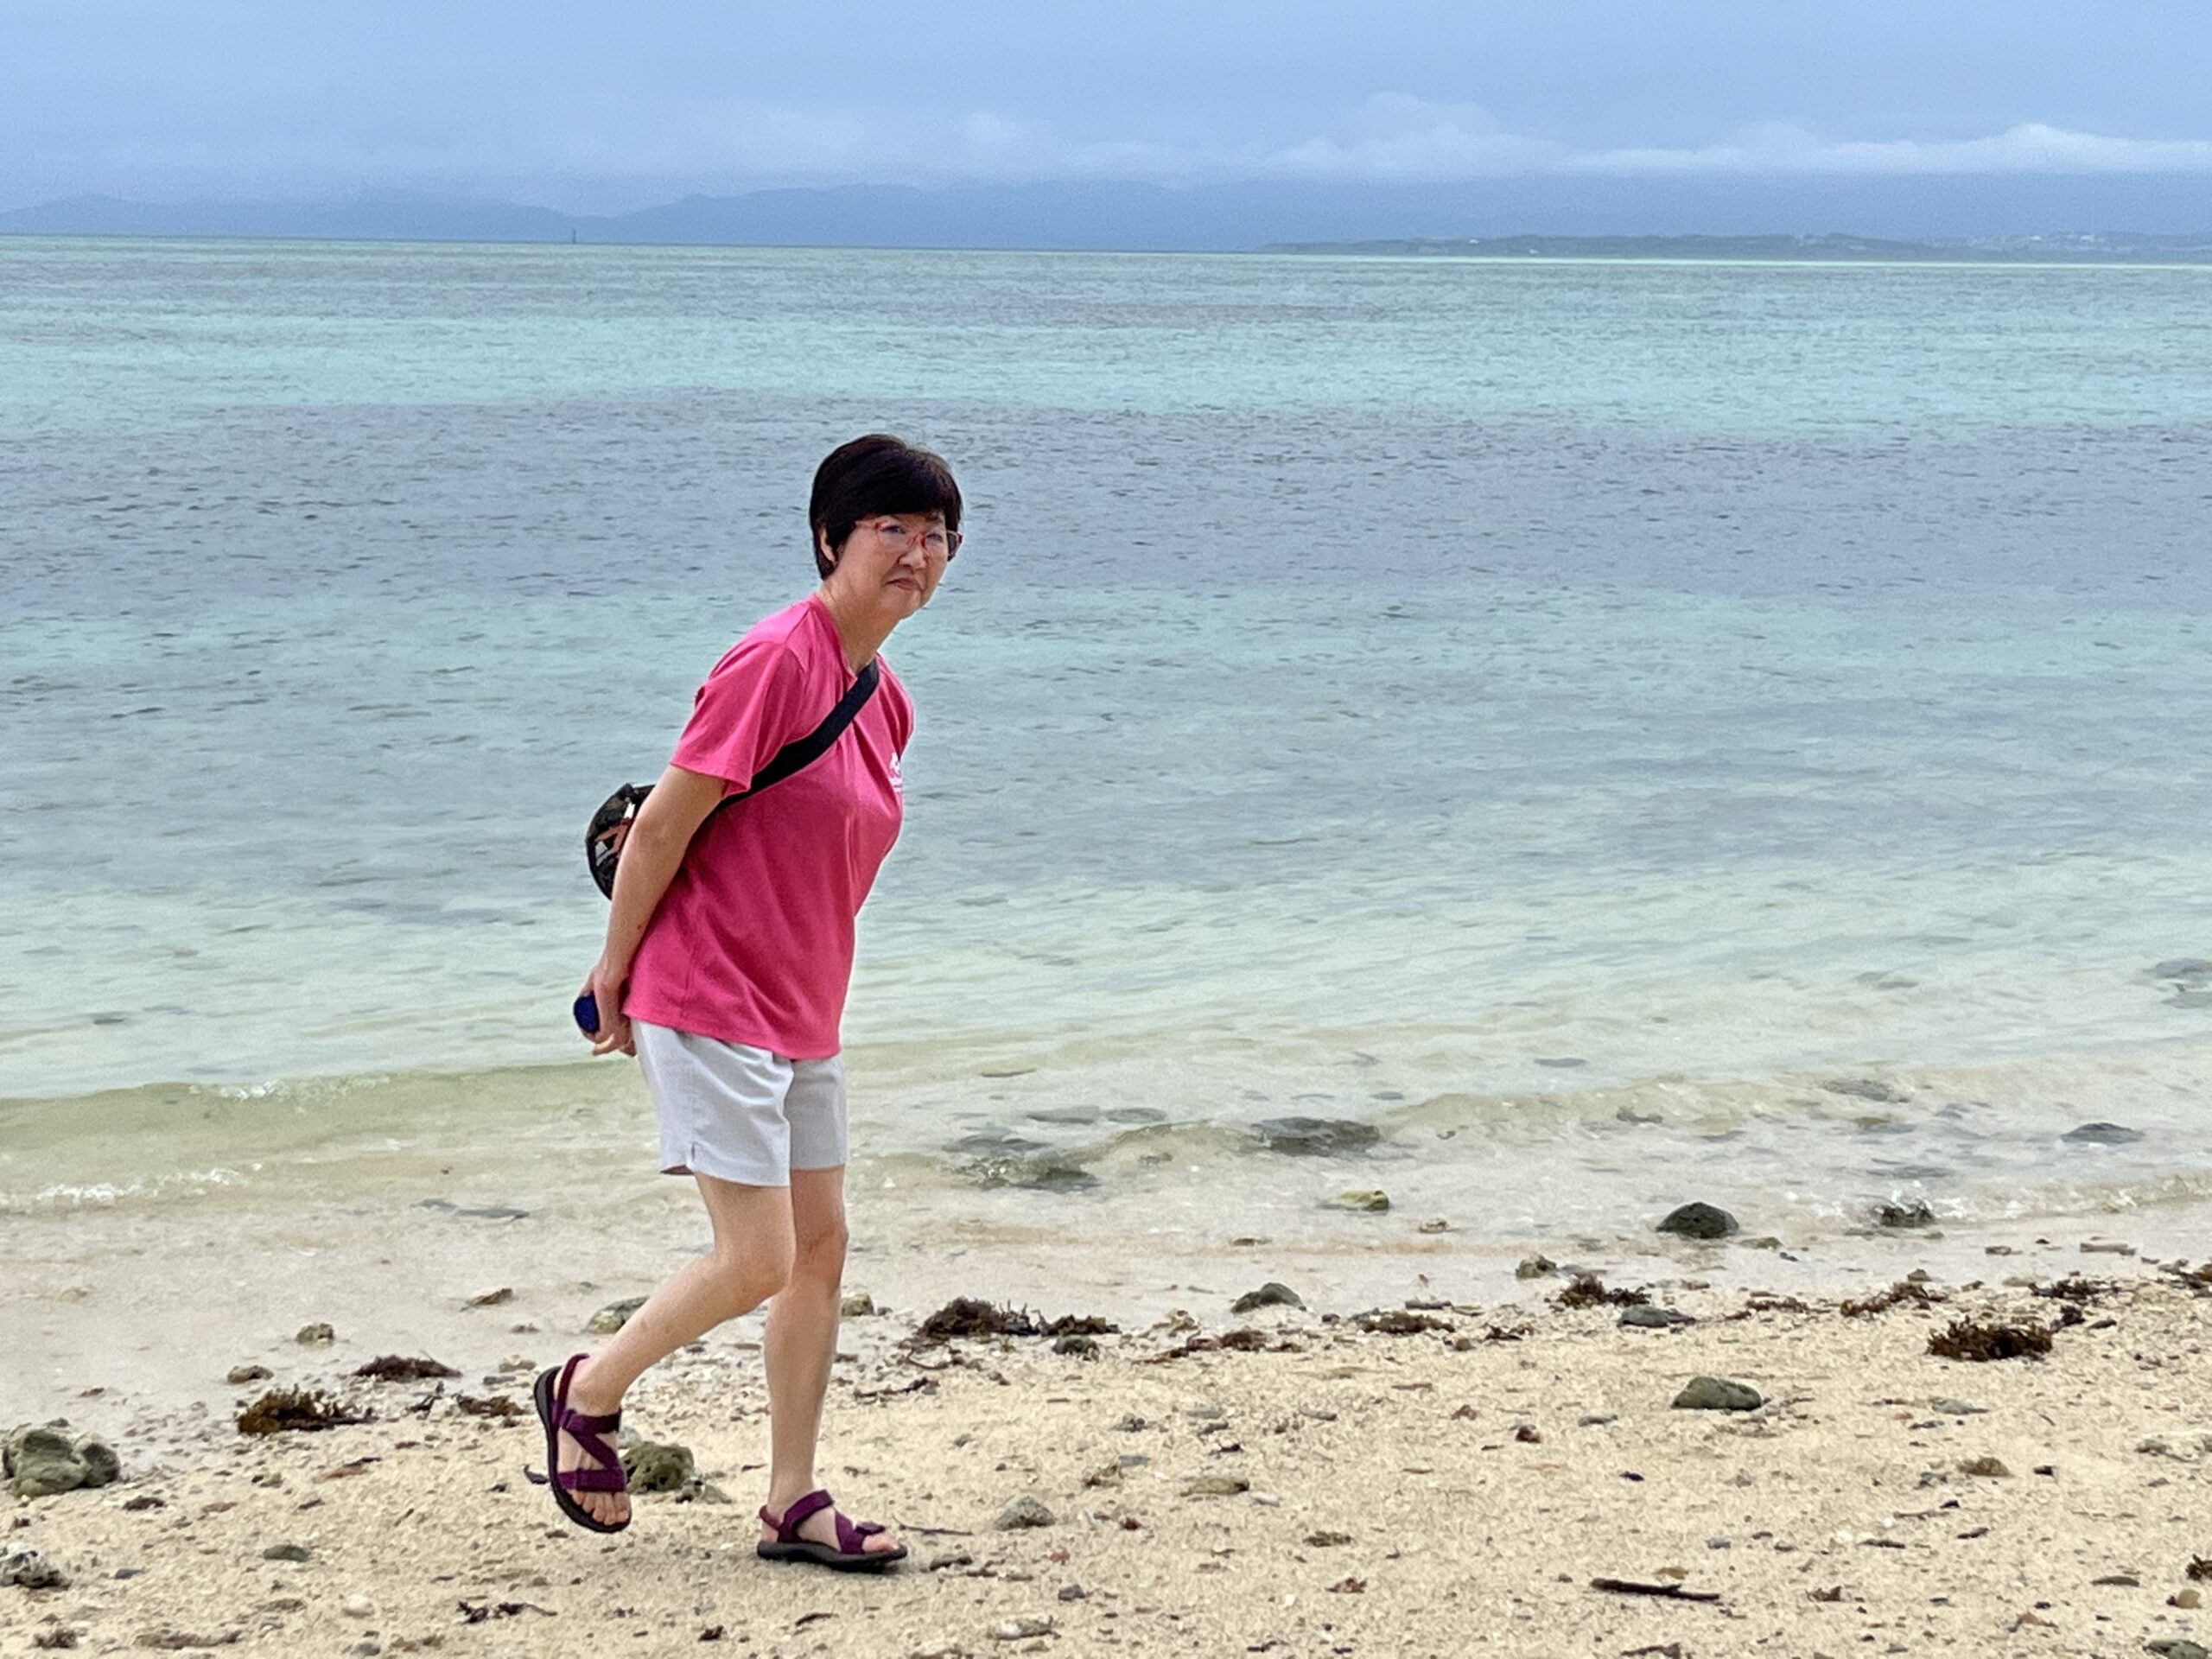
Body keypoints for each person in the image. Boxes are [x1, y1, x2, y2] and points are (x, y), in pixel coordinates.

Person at [535, 434, 962, 1572]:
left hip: (802, 1006)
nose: (918, 553)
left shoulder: (885, 698)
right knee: (759, 1256)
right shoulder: (774, 660)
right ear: (829, 539)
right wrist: (614, 970)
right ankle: (587, 1391)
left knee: (820, 1247)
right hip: (707, 990)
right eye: (892, 529)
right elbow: (664, 827)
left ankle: (791, 1499)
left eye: (937, 535)